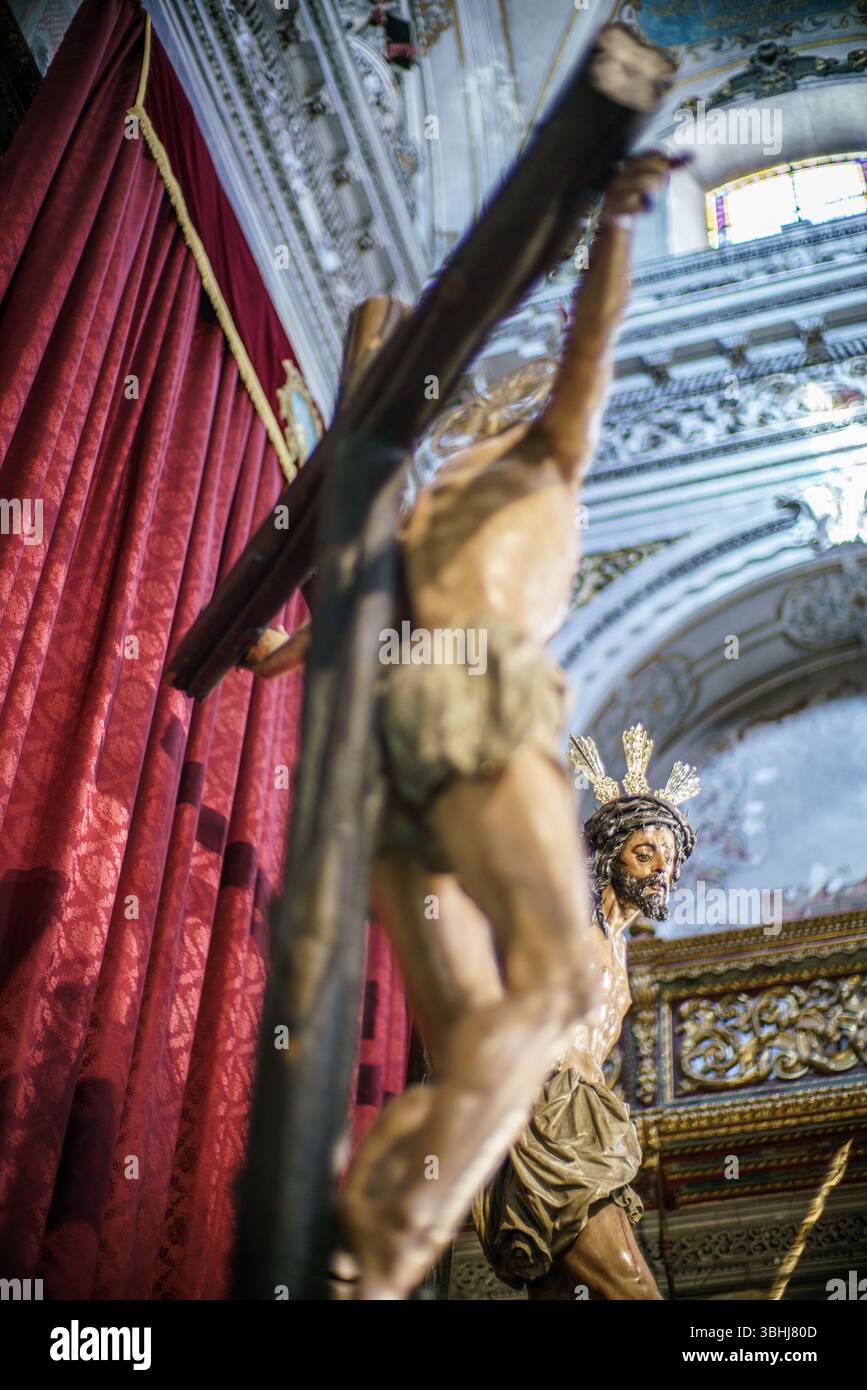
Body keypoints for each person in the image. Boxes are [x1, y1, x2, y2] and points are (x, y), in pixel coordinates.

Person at [244, 151, 683, 1300]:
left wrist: (268, 657)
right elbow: (593, 348)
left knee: (486, 1031)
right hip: (448, 724)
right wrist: (618, 227)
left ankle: (373, 1247)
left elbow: (344, 619)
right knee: (511, 1004)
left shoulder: (479, 488)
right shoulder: (491, 491)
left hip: (426, 744)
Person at [474, 724, 699, 1299]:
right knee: (634, 1290)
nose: (661, 869)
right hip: (550, 1112)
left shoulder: (620, 945)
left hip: (584, 1114)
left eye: (669, 858)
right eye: (645, 853)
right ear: (610, 856)